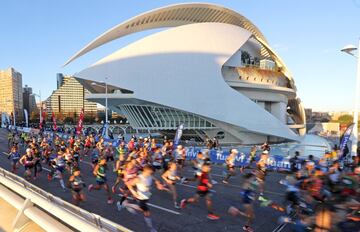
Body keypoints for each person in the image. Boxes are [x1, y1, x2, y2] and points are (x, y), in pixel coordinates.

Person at [118, 165, 166, 232]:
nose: (152, 174)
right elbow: (128, 184)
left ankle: (125, 204)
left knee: (145, 212)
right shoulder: (139, 178)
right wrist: (133, 192)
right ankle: (151, 228)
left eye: (152, 173)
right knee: (146, 212)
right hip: (141, 197)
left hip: (146, 196)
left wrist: (158, 184)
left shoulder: (149, 176)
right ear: (146, 171)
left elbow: (155, 179)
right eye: (151, 173)